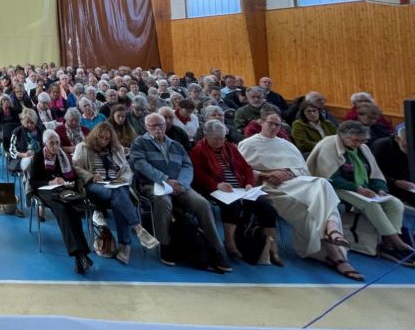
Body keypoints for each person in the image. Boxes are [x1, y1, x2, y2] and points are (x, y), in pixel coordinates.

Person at [238, 112, 362, 281]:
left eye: (278, 125)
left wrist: (289, 172)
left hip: (293, 184)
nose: (274, 127)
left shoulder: (286, 145)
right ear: (261, 122)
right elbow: (241, 171)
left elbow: (303, 170)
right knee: (310, 210)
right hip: (269, 188)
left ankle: (332, 231)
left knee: (323, 184)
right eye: (271, 123)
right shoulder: (248, 144)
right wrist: (266, 174)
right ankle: (336, 254)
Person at [130, 113, 231, 272]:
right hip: (153, 185)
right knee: (163, 202)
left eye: (160, 125)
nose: (157, 129)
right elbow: (141, 165)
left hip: (179, 186)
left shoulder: (176, 145)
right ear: (146, 127)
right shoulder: (139, 143)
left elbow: (187, 166)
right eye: (153, 126)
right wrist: (165, 180)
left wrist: (182, 184)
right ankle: (165, 244)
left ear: (165, 126)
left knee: (203, 204)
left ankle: (217, 248)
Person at [308, 121, 415, 265]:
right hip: (333, 187)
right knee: (371, 206)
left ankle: (388, 245)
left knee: (395, 203)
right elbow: (330, 176)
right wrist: (358, 188)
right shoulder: (328, 145)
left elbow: (375, 173)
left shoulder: (363, 148)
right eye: (355, 140)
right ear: (343, 136)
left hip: (362, 189)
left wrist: (380, 189)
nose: (359, 144)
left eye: (362, 140)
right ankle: (397, 242)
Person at [191, 120, 281, 265]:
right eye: (216, 139)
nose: (220, 142)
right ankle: (230, 241)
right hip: (215, 189)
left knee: (266, 206)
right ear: (206, 136)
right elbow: (198, 174)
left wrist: (249, 183)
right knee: (232, 205)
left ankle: (271, 246)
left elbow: (246, 167)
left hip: (239, 188)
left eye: (222, 138)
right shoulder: (198, 150)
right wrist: (217, 185)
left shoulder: (230, 148)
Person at [73, 123, 159, 264]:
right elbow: (75, 167)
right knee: (119, 194)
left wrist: (123, 179)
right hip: (95, 186)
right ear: (95, 136)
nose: (104, 141)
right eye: (101, 138)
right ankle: (135, 233)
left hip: (117, 185)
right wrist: (90, 176)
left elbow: (127, 170)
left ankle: (126, 246)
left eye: (107, 139)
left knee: (119, 195)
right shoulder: (83, 147)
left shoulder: (117, 149)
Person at [28, 129, 93, 274]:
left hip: (64, 190)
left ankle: (80, 255)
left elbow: (73, 178)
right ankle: (80, 254)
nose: (55, 145)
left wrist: (66, 182)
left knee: (73, 209)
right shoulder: (39, 157)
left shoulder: (63, 156)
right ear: (45, 143)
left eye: (57, 142)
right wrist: (51, 182)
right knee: (63, 210)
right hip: (45, 190)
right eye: (51, 142)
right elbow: (33, 182)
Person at [372, 124, 415, 206]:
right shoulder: (382, 146)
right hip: (387, 186)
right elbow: (374, 174)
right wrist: (395, 182)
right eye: (406, 147)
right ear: (397, 138)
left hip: (410, 185)